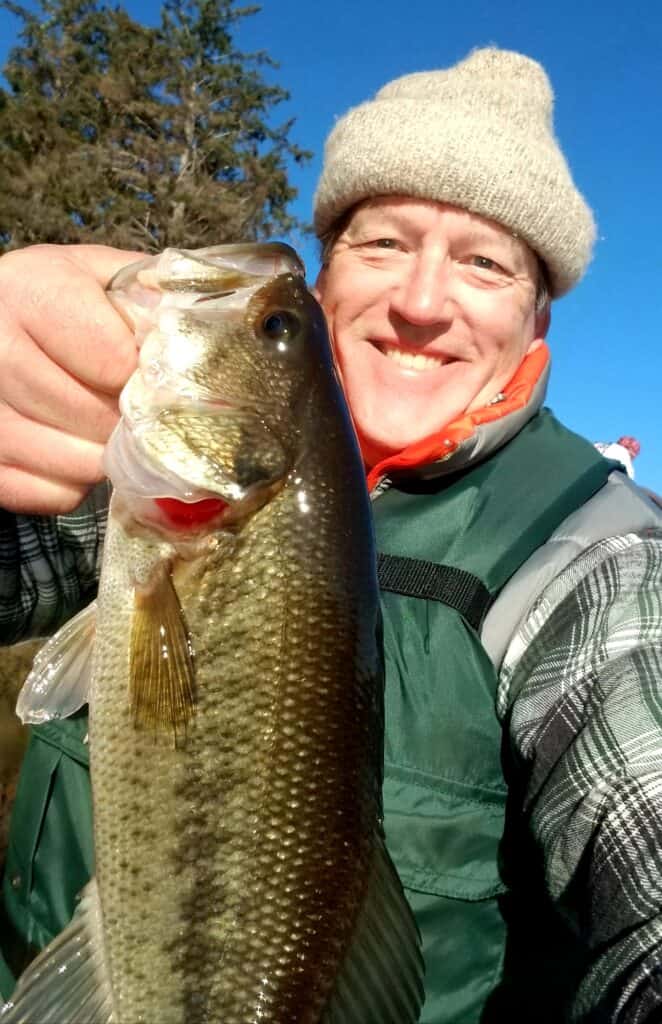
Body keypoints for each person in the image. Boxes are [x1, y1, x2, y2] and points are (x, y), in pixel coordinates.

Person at [1, 46, 661, 1023]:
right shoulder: (158, 484)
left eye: (483, 262)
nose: (421, 304)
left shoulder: (594, 554)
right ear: (324, 274)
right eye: (383, 243)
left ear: (534, 315)